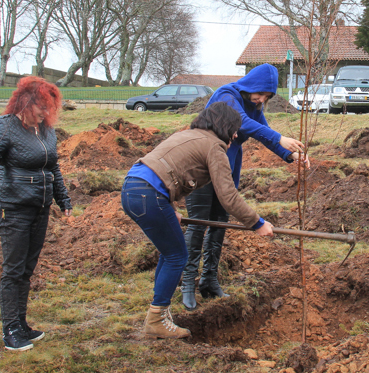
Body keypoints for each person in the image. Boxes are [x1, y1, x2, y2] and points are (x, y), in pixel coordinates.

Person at [120, 102, 275, 339]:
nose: (236, 135)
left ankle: (159, 311)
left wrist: (169, 208)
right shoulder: (214, 146)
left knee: (168, 251)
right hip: (148, 195)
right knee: (177, 256)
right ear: (225, 125)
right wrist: (257, 223)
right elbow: (228, 195)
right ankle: (156, 319)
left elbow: (162, 168)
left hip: (132, 188)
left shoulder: (188, 135)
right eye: (235, 129)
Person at [180, 63, 307, 310]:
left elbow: (264, 132)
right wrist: (280, 138)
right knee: (198, 226)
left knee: (219, 226)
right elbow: (245, 124)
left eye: (267, 97)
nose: (261, 100)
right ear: (251, 84)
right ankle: (187, 285)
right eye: (260, 93)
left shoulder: (254, 106)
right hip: (203, 169)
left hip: (226, 173)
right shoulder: (227, 95)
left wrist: (290, 155)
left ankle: (209, 281)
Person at [0, 76, 72, 351]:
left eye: (50, 108)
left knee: (26, 269)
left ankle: (21, 323)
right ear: (26, 102)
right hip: (12, 207)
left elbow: (53, 169)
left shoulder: (47, 131)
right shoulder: (6, 127)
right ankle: (10, 329)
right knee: (13, 270)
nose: (46, 113)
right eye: (42, 107)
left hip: (40, 207)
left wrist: (64, 201)